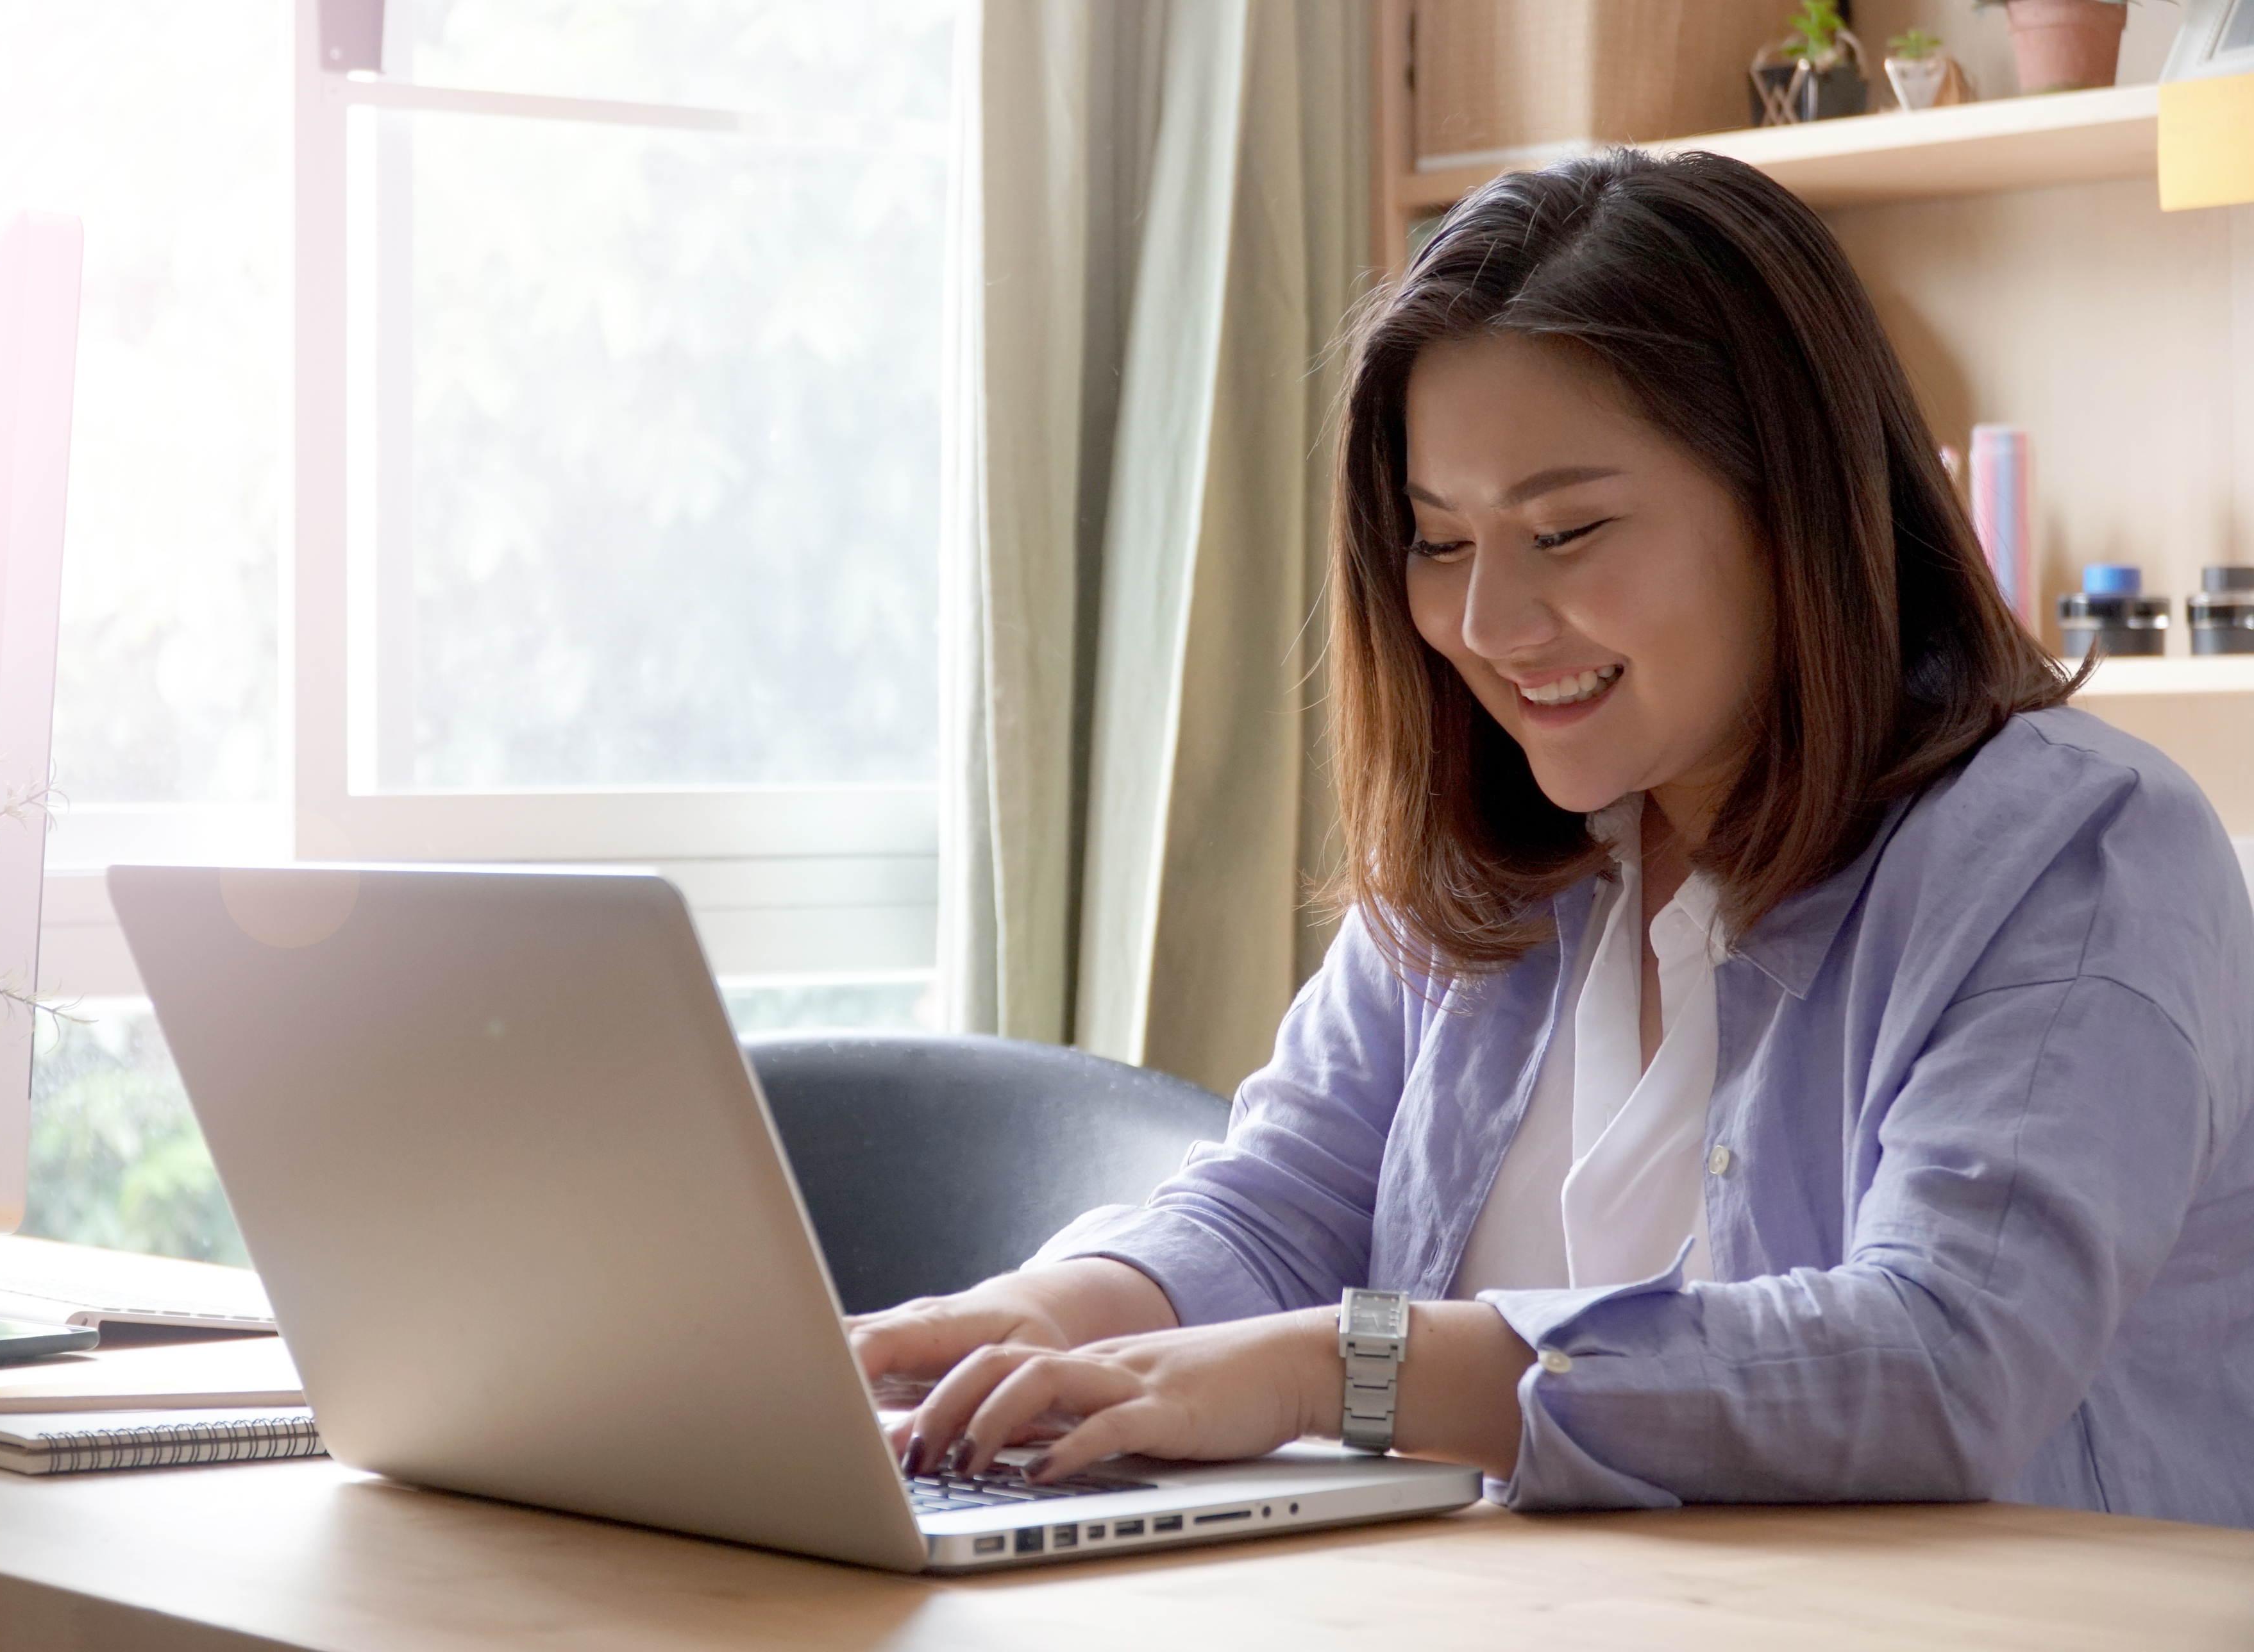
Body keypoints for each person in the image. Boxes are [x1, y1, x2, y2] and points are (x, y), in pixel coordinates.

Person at [851, 148, 2254, 1527]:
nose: (1486, 626)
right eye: (1440, 541)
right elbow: (1275, 1207)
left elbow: (1937, 1358)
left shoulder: (2085, 858)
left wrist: (1331, 1367)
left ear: (1795, 509)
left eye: (1567, 531)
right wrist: (1017, 1324)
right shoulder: (1496, 848)